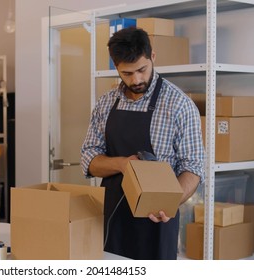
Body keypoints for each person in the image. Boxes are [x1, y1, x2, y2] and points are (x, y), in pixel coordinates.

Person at [80, 27, 205, 260]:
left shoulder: (179, 105)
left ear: (153, 57)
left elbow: (193, 168)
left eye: (142, 70)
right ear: (115, 66)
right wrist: (123, 165)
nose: (136, 80)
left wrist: (169, 202)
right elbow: (89, 159)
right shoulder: (105, 104)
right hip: (110, 218)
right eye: (127, 73)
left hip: (156, 221)